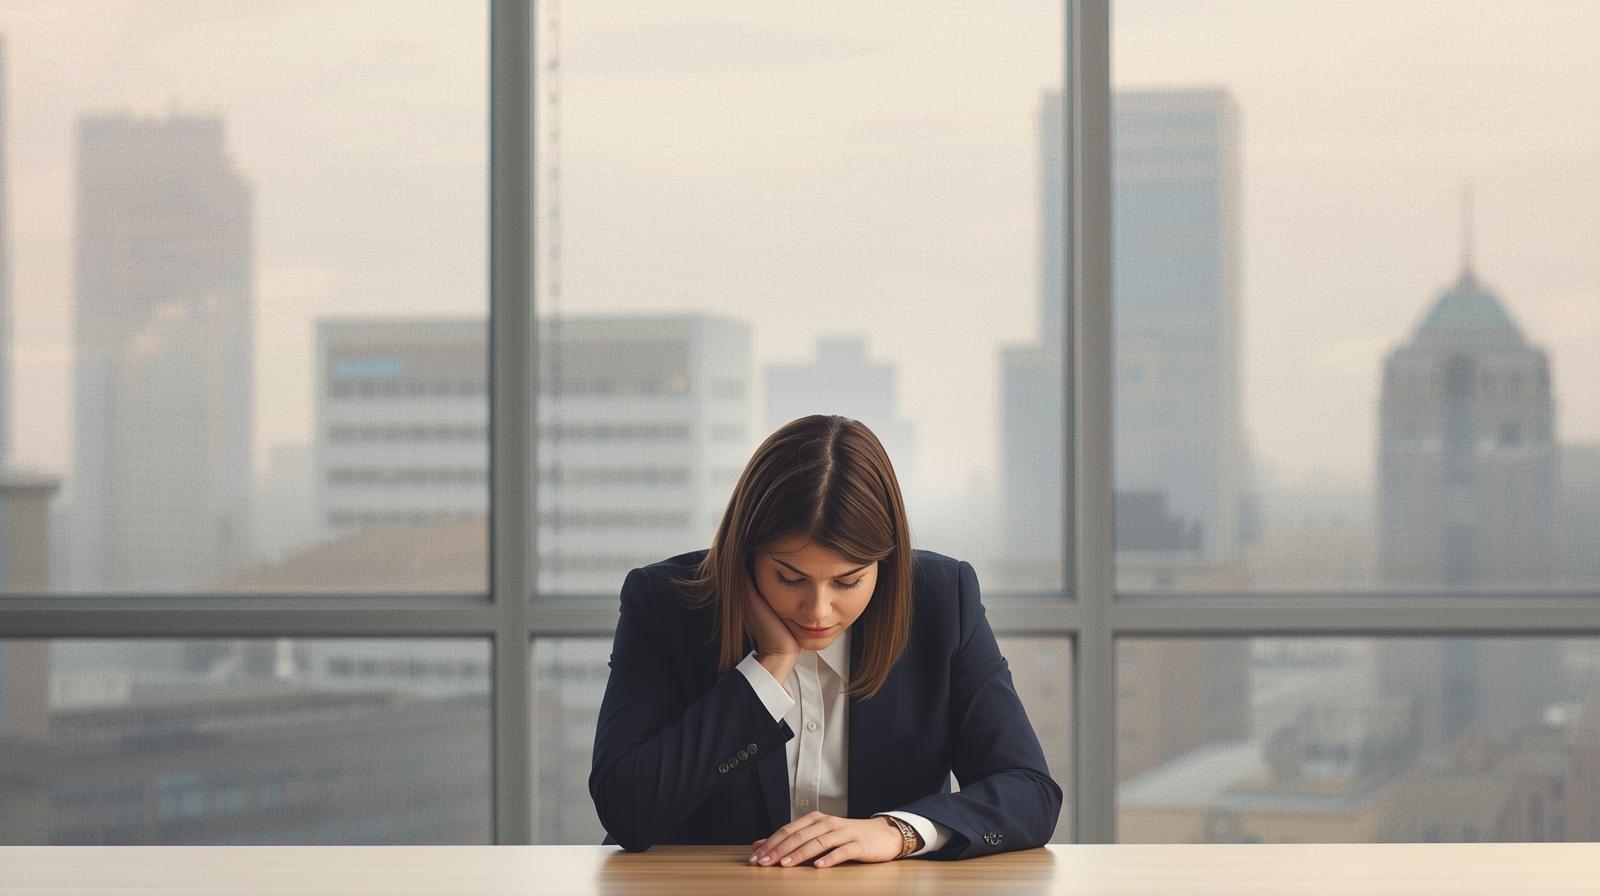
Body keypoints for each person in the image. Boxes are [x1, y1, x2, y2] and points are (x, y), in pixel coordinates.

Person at [589, 414, 1062, 866]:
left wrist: (896, 832)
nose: (817, 611)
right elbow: (626, 812)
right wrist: (767, 668)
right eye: (789, 578)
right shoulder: (666, 604)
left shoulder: (942, 602)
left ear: (885, 562)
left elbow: (1029, 793)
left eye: (847, 582)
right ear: (746, 553)